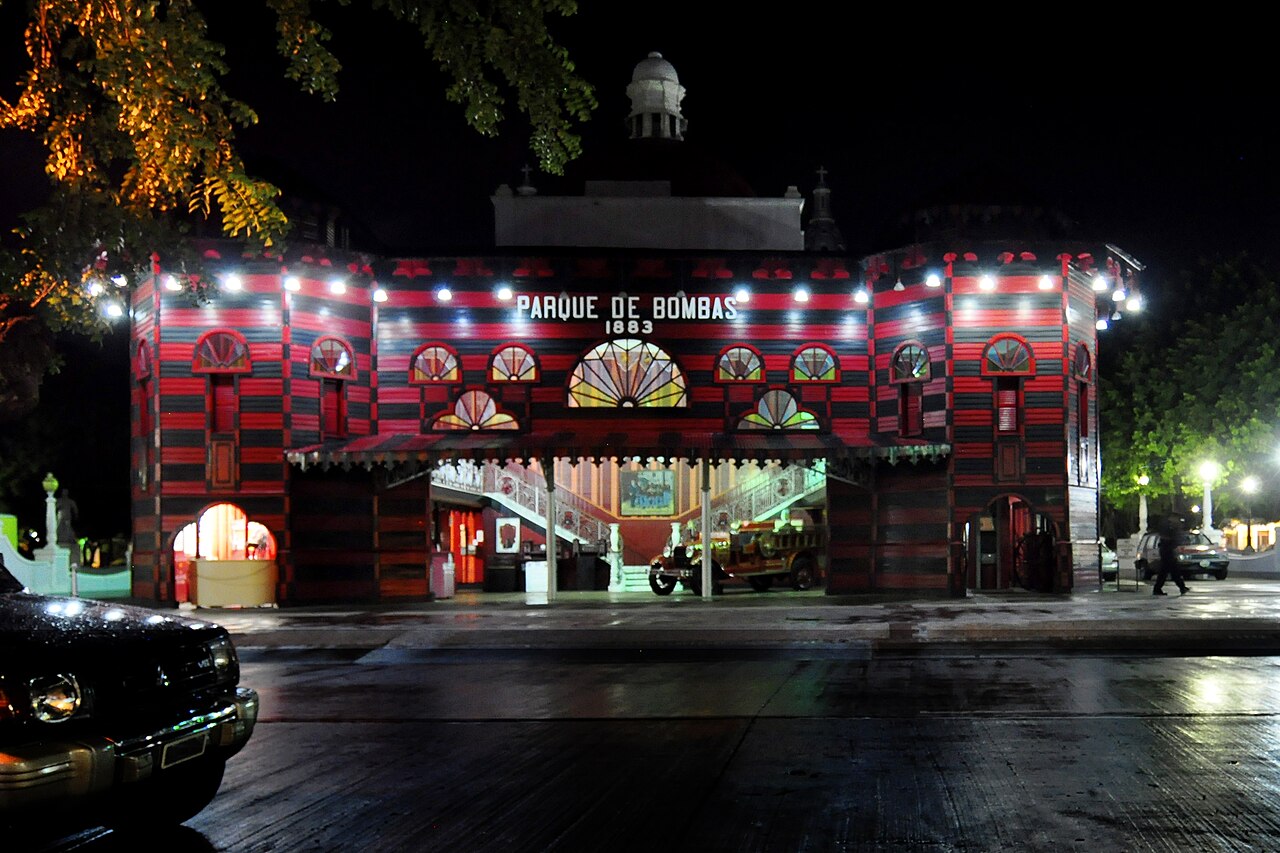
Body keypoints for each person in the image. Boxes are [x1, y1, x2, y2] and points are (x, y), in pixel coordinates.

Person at [1153, 513, 1190, 596]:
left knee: (1165, 571)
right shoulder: (1168, 526)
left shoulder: (1168, 525)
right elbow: (1168, 537)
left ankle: (1158, 588)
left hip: (1167, 549)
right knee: (1173, 570)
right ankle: (1181, 587)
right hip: (1167, 550)